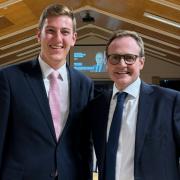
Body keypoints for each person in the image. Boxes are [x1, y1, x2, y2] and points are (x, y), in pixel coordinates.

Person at [0, 3, 94, 180]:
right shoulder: (9, 78)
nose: (57, 39)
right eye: (50, 30)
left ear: (74, 38)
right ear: (38, 35)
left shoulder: (85, 84)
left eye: (65, 32)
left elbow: (85, 144)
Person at [86, 30, 180, 180]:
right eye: (115, 57)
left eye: (129, 58)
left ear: (141, 62)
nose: (121, 64)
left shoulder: (170, 101)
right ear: (107, 62)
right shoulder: (96, 106)